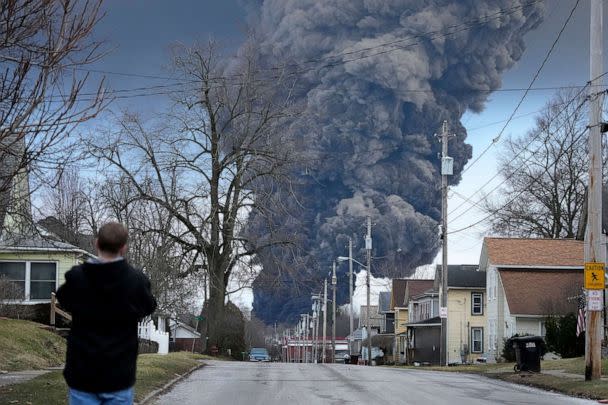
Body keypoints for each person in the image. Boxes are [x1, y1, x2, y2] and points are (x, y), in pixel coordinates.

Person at [56, 222, 157, 405]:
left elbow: (63, 299)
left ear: (96, 243)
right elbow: (149, 306)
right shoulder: (136, 281)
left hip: (82, 374)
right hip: (118, 376)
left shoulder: (77, 278)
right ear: (124, 247)